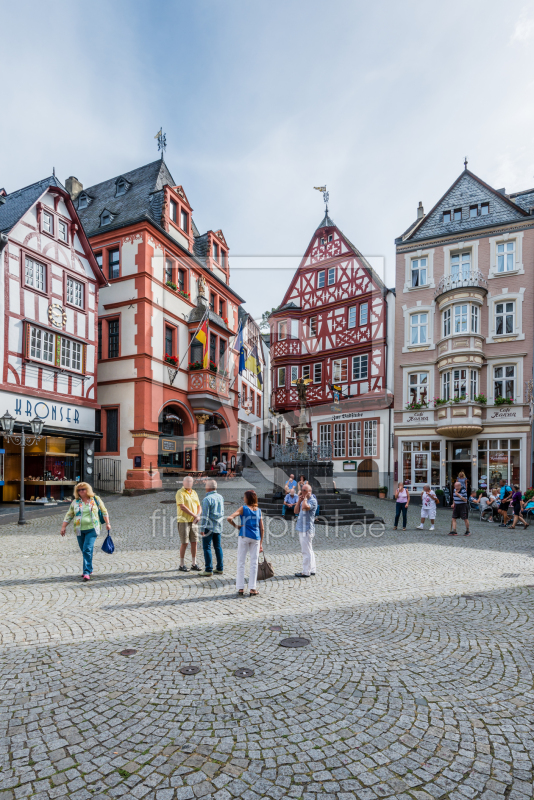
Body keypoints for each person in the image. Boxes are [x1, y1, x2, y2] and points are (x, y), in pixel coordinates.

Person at [60, 482, 110, 581]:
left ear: (88, 490)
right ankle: (89, 568)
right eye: (79, 490)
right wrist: (63, 527)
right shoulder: (75, 502)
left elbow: (104, 511)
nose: (81, 491)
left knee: (87, 548)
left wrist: (108, 523)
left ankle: (86, 572)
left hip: (92, 528)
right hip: (79, 530)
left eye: (83, 489)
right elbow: (69, 515)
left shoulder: (95, 500)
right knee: (85, 550)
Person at [227, 490, 264, 596]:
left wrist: (237, 526)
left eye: (244, 497)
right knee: (253, 563)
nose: (244, 498)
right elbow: (262, 528)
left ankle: (240, 588)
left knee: (241, 562)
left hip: (244, 536)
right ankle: (252, 588)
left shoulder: (243, 508)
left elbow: (229, 518)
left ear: (247, 498)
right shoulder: (259, 510)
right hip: (256, 537)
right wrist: (261, 543)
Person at [175, 476, 201, 572]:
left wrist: (198, 515)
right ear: (183, 482)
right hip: (183, 521)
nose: (189, 483)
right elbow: (182, 507)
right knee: (185, 543)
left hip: (194, 521)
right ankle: (181, 564)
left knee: (194, 542)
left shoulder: (194, 492)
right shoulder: (180, 492)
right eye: (187, 481)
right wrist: (195, 515)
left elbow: (199, 505)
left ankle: (194, 563)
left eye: (191, 481)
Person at [200, 479, 225, 576]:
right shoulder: (220, 497)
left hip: (209, 527)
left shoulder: (207, 499)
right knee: (218, 547)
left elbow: (205, 516)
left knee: (207, 547)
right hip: (218, 526)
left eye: (206, 485)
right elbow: (222, 513)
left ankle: (208, 569)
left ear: (209, 487)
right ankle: (220, 568)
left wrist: (202, 528)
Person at [294, 484, 318, 578]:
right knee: (309, 550)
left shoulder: (312, 500)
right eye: (301, 489)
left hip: (307, 529)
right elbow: (296, 511)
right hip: (302, 528)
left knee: (306, 551)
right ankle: (312, 569)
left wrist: (305, 498)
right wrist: (299, 500)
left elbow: (305, 507)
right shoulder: (303, 500)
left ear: (309, 491)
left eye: (304, 490)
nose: (301, 491)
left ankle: (306, 571)